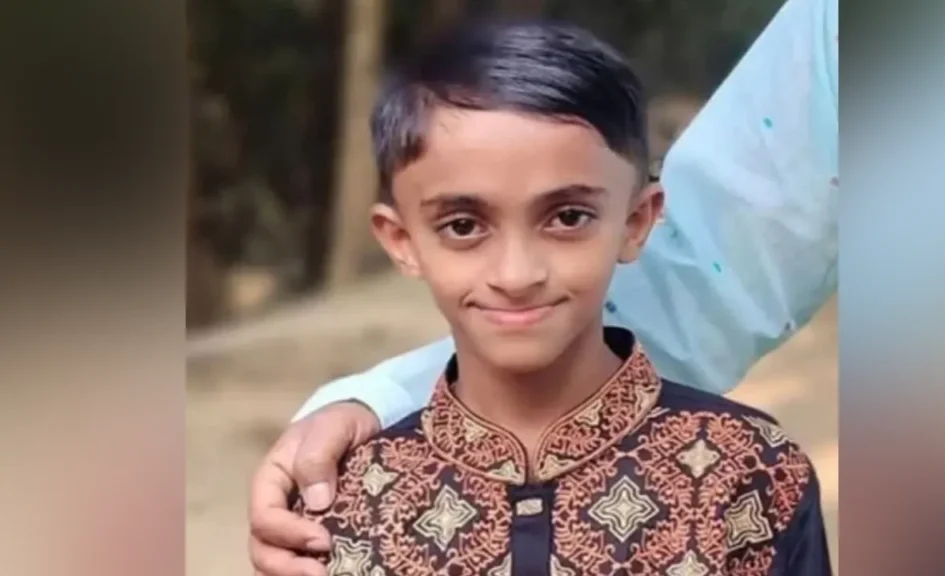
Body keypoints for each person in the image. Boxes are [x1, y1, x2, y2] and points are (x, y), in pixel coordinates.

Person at [249, 0, 838, 574]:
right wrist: (374, 403)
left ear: (638, 221)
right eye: (463, 226)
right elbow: (730, 243)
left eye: (568, 217)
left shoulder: (749, 475)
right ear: (400, 241)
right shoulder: (349, 504)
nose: (516, 274)